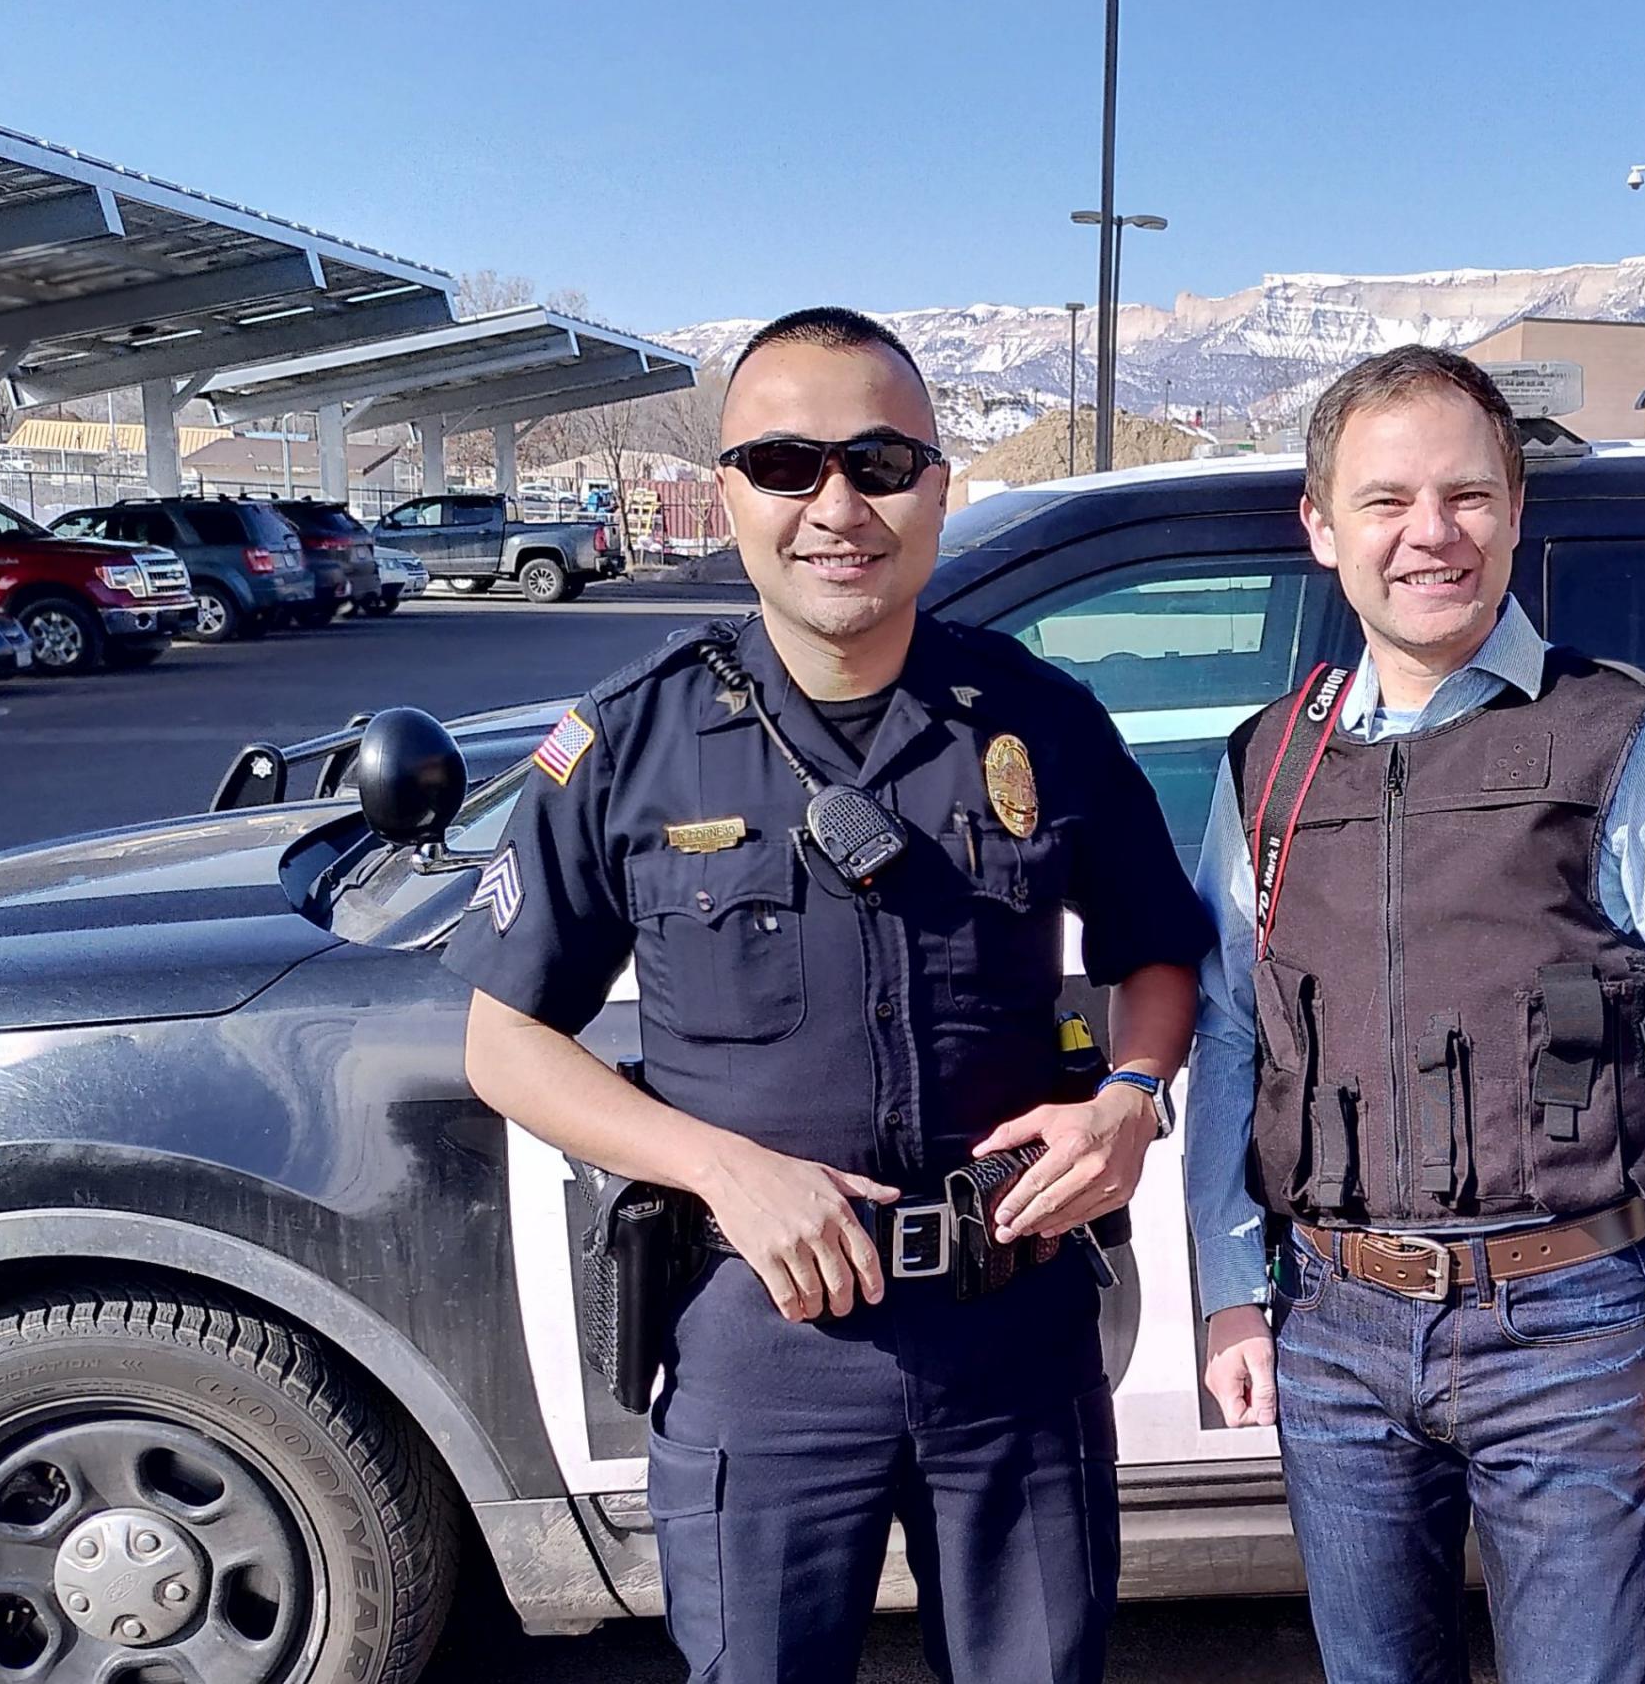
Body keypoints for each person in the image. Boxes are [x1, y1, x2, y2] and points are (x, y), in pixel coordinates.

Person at [449, 306, 1209, 1684]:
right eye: (788, 465)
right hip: (764, 1343)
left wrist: (1132, 1104)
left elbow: (1159, 950)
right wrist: (722, 1171)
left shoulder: (1040, 719)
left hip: (1015, 1326)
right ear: (728, 490)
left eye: (880, 460)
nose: (836, 506)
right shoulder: (627, 741)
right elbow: (506, 1043)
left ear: (936, 485)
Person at [1182, 346, 1645, 1684]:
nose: (1431, 534)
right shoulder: (1268, 757)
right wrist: (1234, 1289)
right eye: (1387, 499)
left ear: (1516, 512)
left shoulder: (1634, 740)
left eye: (1467, 496)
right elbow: (1236, 1033)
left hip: (1570, 1323)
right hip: (1334, 1331)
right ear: (1320, 528)